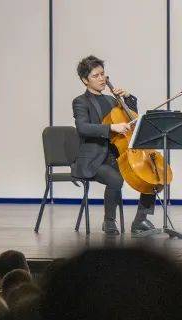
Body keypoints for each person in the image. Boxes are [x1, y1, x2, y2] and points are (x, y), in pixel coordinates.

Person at [71, 55, 157, 237]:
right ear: (85, 80)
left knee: (153, 174)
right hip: (95, 159)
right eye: (96, 76)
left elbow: (132, 119)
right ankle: (109, 221)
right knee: (115, 179)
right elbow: (82, 127)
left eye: (103, 74)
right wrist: (111, 127)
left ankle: (140, 219)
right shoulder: (81, 101)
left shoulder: (111, 101)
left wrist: (128, 98)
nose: (102, 79)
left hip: (116, 154)